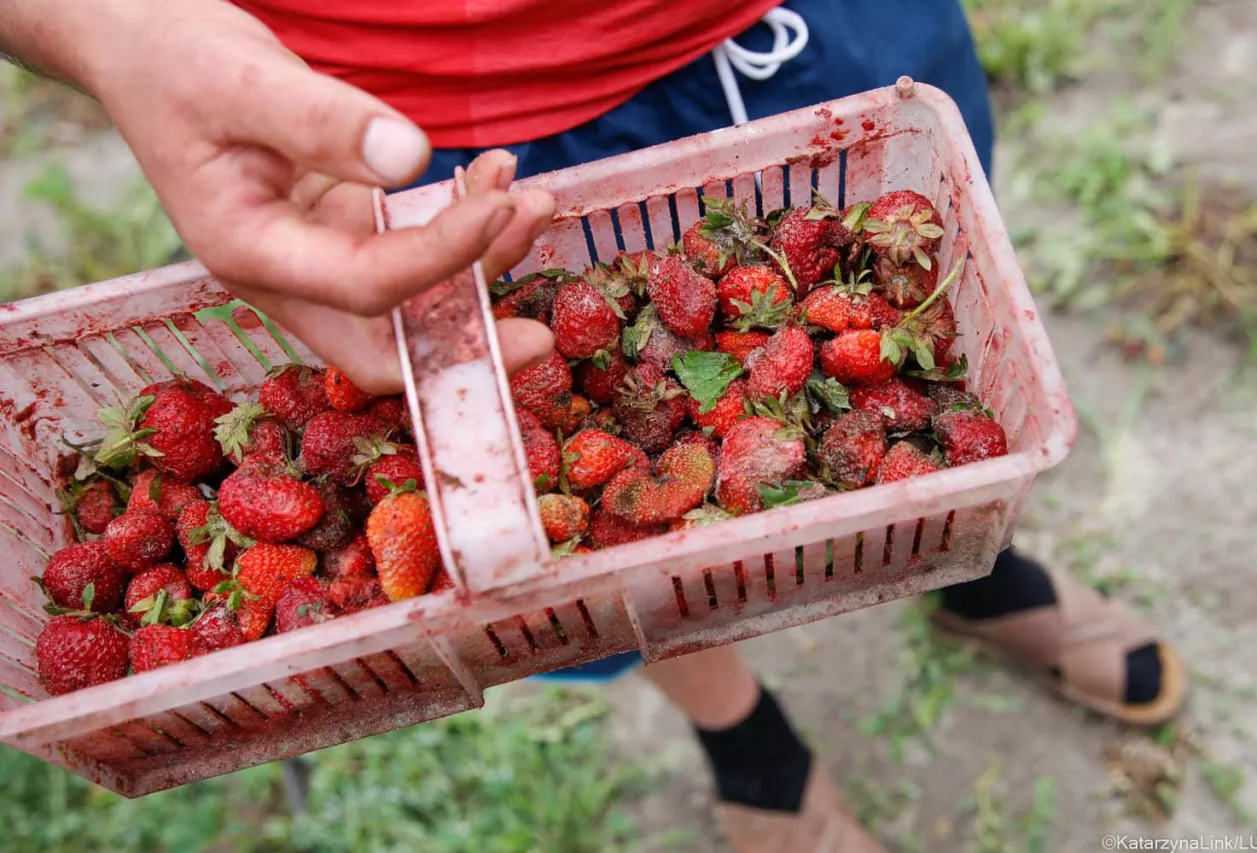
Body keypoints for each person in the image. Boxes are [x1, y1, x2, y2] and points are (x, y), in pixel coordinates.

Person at [0, 1, 1187, 849]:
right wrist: (114, 27)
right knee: (572, 570)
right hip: (402, 123)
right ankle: (747, 739)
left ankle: (970, 563)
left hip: (781, 34)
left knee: (933, 359)